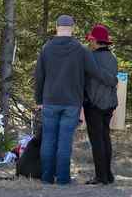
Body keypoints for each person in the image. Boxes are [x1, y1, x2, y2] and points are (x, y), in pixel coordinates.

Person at [34, 15, 118, 185]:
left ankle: (47, 177)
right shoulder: (81, 50)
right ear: (72, 28)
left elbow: (39, 76)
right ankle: (63, 178)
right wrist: (112, 80)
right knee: (65, 140)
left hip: (50, 100)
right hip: (72, 102)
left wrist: (38, 99)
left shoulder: (46, 48)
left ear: (56, 27)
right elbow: (95, 72)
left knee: (49, 139)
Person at [84, 24, 118, 185]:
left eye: (91, 40)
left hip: (94, 104)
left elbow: (86, 81)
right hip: (110, 104)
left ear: (96, 41)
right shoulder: (112, 58)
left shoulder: (91, 57)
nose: (90, 42)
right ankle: (108, 175)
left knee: (97, 141)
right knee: (105, 138)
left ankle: (101, 177)